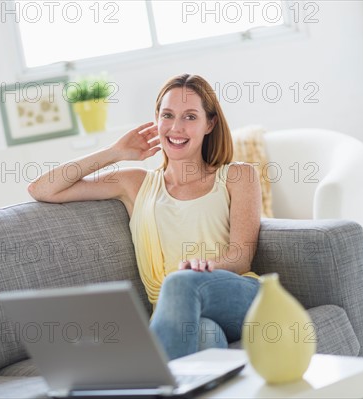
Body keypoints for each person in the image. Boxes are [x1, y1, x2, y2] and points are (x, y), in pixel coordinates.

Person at [27, 73, 261, 360]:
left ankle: (144, 374)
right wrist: (116, 152)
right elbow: (42, 188)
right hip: (177, 314)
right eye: (168, 115)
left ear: (209, 123)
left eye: (190, 117)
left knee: (181, 281)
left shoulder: (237, 175)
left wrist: (204, 268)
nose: (176, 127)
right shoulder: (136, 184)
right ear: (157, 120)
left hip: (238, 297)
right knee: (205, 335)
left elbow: (241, 257)